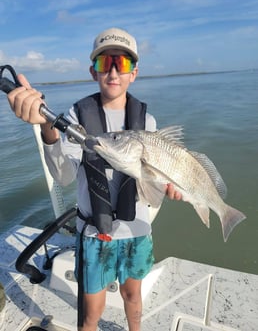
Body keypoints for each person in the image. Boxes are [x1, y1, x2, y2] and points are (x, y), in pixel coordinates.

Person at [7, 27, 181, 331]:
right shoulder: (76, 116)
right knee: (91, 312)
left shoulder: (147, 122)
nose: (113, 71)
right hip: (94, 234)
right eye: (105, 63)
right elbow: (63, 176)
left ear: (134, 73)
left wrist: (169, 185)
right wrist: (48, 129)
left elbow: (151, 177)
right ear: (93, 71)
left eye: (122, 64)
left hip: (137, 230)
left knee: (133, 297)